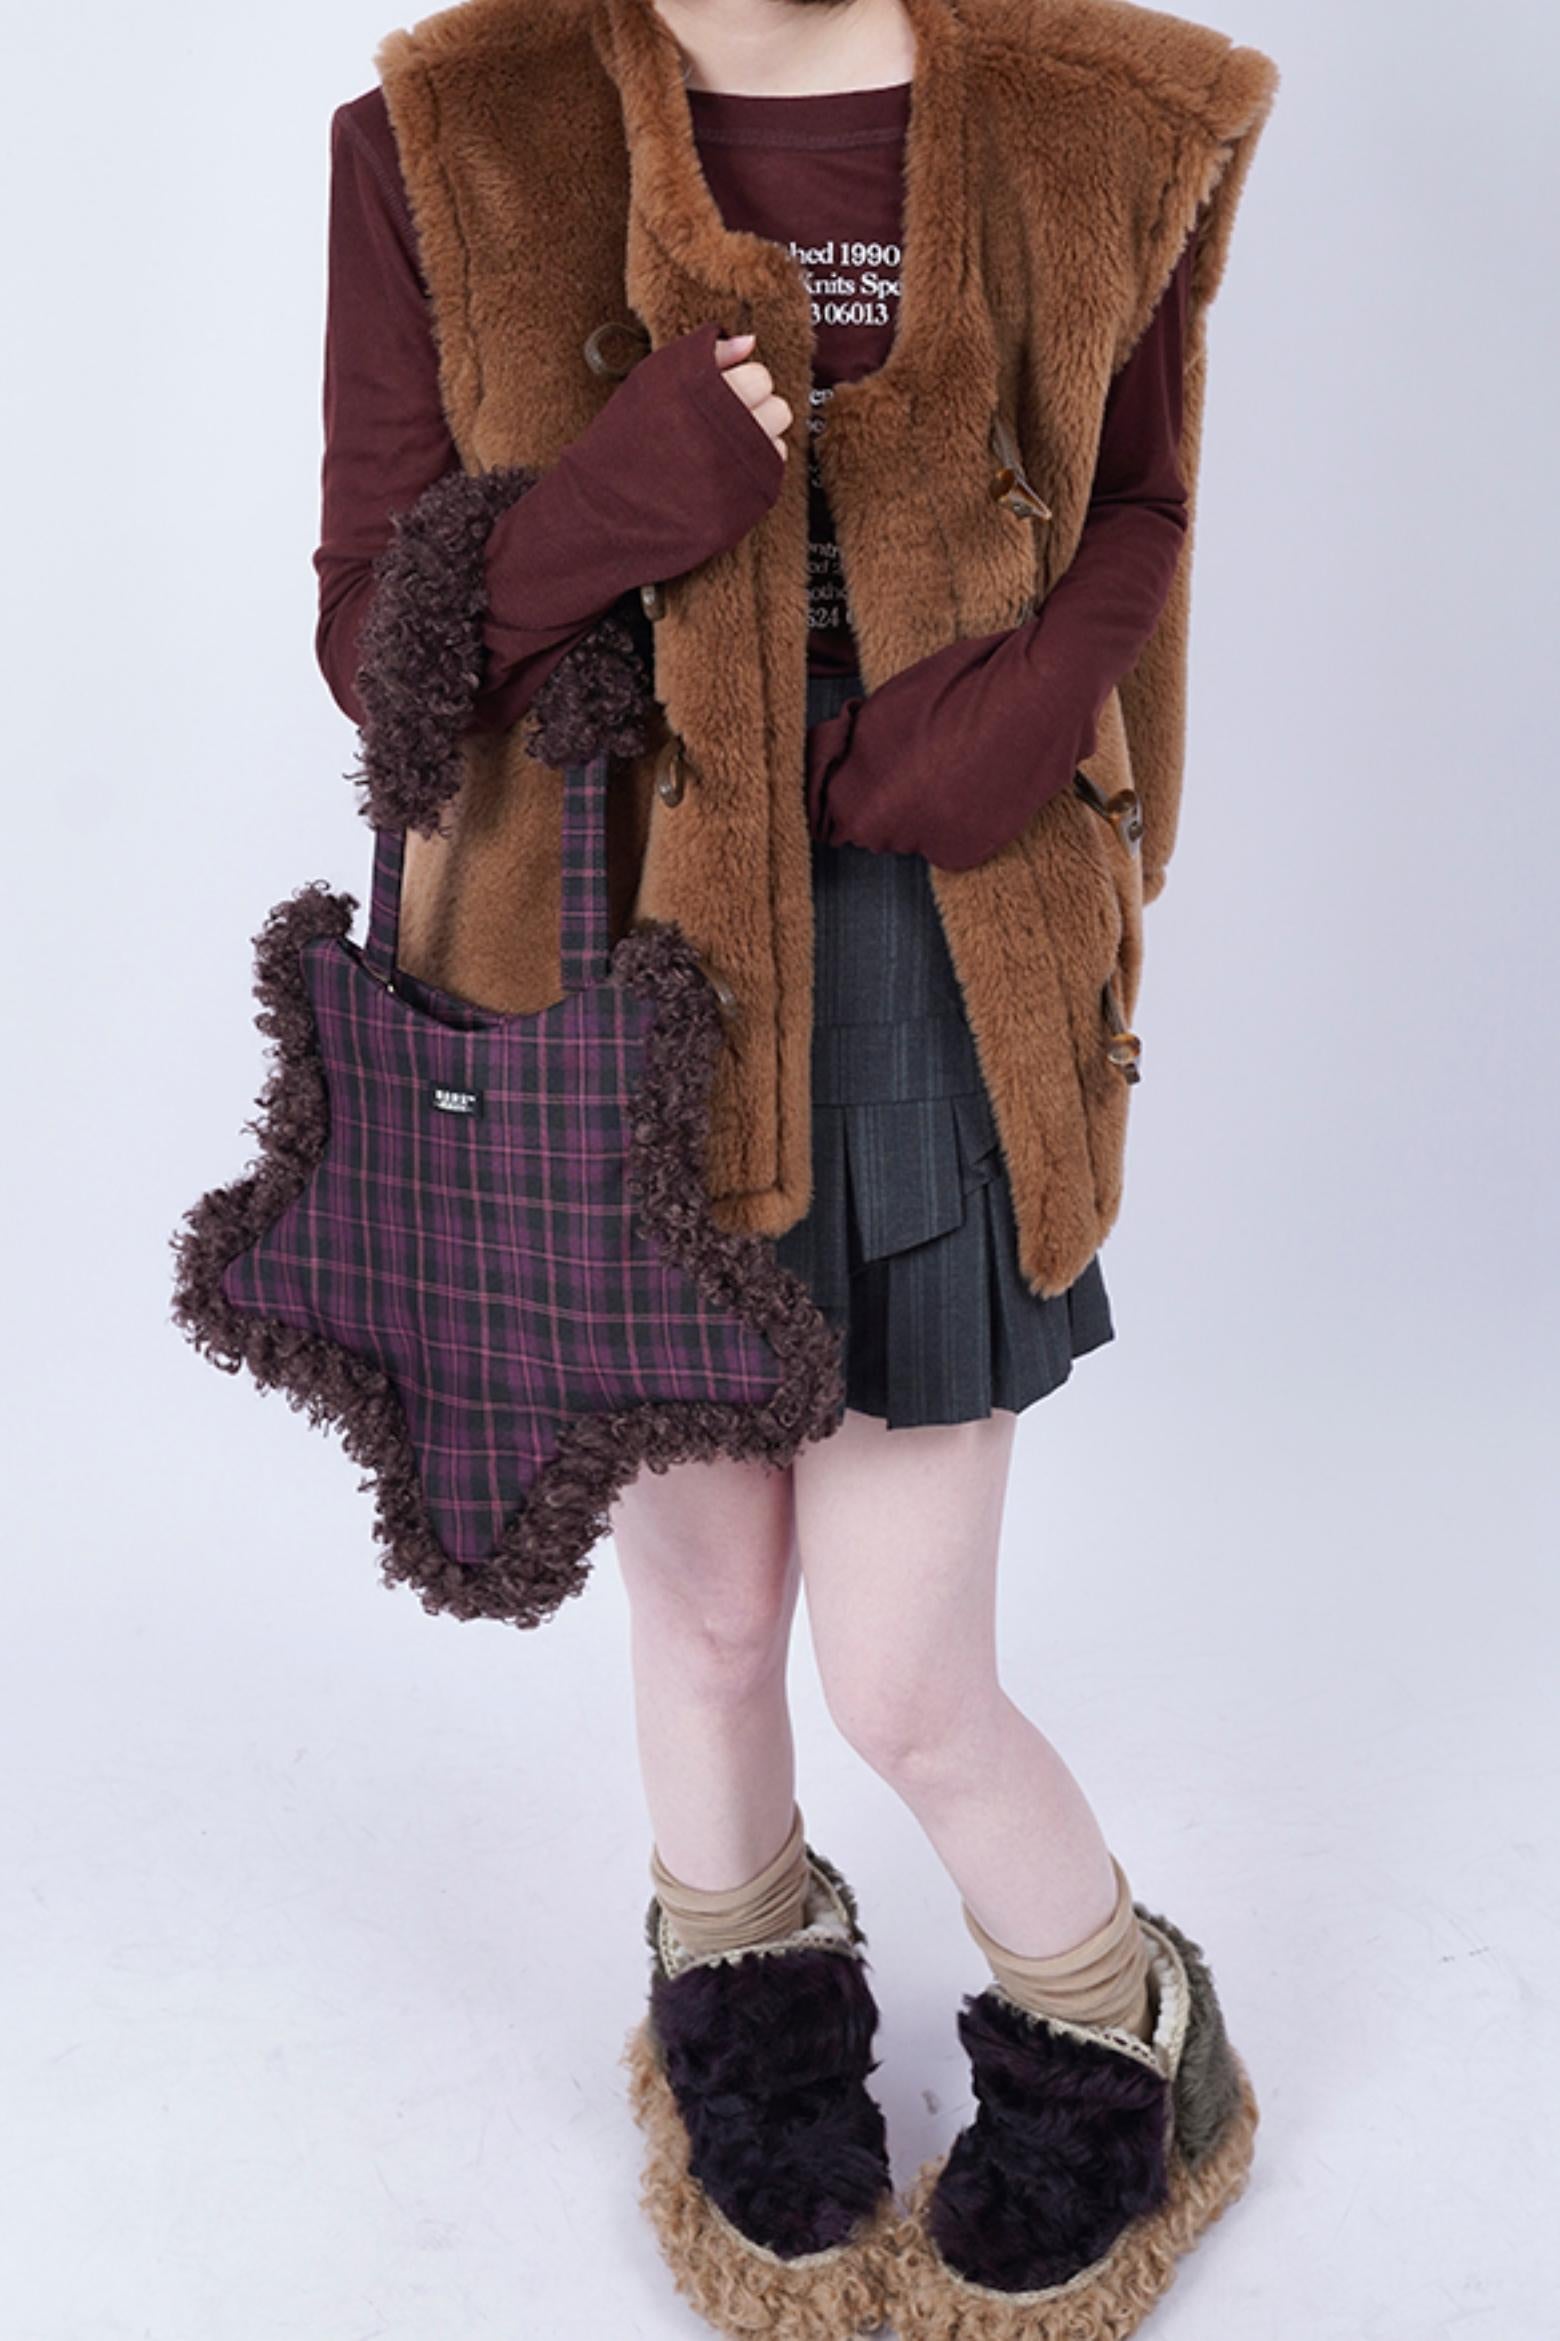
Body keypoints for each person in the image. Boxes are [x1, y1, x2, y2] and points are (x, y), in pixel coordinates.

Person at [315, 0, 1278, 2332]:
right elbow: (374, 642)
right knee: (713, 1612)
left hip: (936, 958)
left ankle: (1125, 2021)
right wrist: (601, 513)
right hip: (612, 968)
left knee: (908, 1678)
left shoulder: (1097, 120)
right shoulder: (447, 135)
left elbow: (1143, 495)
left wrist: (1027, 710)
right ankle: (742, 1991)